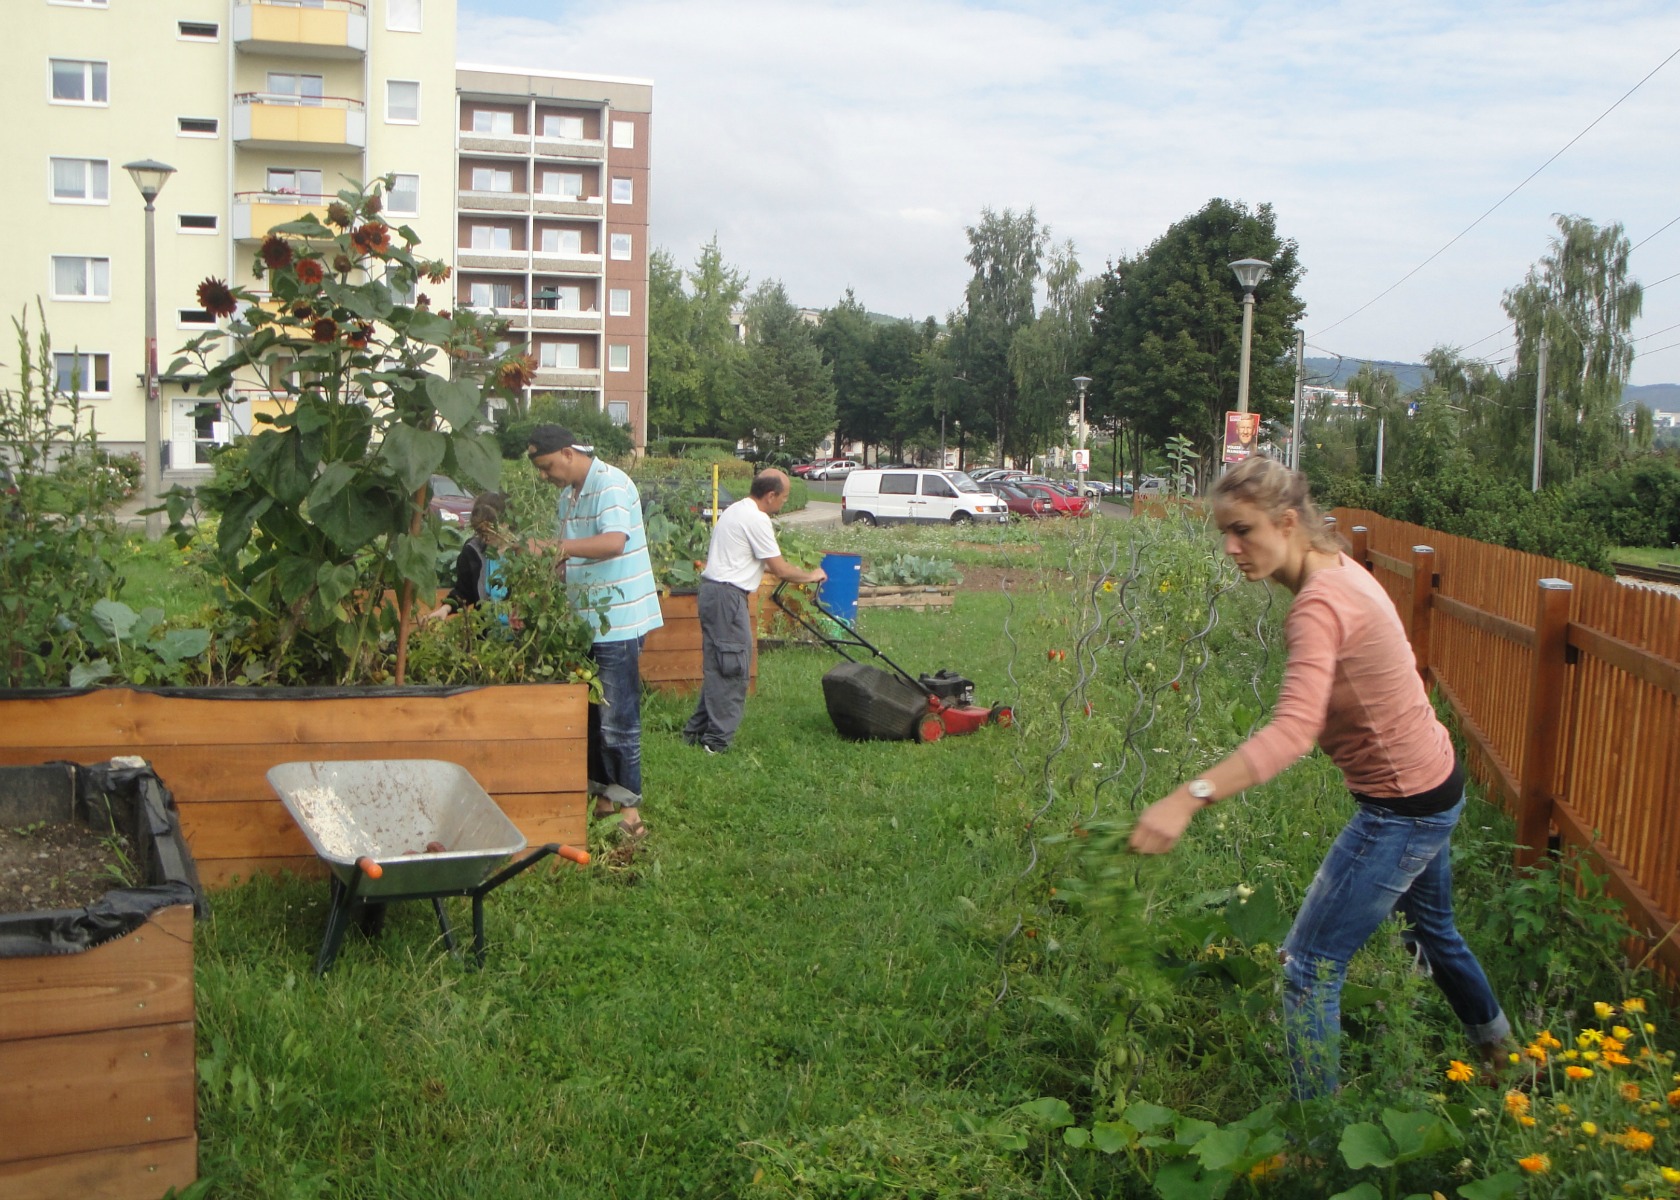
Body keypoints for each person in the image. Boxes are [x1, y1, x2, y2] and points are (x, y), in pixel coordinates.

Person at [1129, 454, 1510, 1098]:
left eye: (1242, 530)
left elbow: (1293, 733)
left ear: (1286, 521)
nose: (1230, 547)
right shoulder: (1342, 573)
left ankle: (1317, 1136)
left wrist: (1187, 797)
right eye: (1223, 532)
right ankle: (1503, 1055)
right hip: (1435, 779)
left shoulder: (1319, 605)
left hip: (1403, 805)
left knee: (1307, 966)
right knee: (1435, 932)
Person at [527, 425, 662, 840]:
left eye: (548, 467)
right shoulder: (568, 496)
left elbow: (613, 542)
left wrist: (558, 548)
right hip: (586, 621)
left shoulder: (611, 484)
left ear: (567, 453)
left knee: (617, 719)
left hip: (617, 621)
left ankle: (630, 815)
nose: (545, 476)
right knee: (593, 717)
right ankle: (604, 799)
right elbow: (571, 558)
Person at [683, 470, 826, 753]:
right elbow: (780, 568)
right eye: (783, 498)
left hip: (713, 592)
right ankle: (716, 743)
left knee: (720, 666)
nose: (783, 504)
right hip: (728, 596)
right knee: (733, 669)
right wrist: (812, 575)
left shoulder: (736, 509)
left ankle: (695, 733)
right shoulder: (756, 518)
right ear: (770, 495)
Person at [425, 492, 509, 622]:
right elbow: (464, 591)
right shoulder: (473, 551)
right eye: (480, 532)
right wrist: (445, 609)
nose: (485, 538)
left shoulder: (521, 554)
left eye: (489, 531)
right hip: (485, 634)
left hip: (521, 637)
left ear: (504, 524)